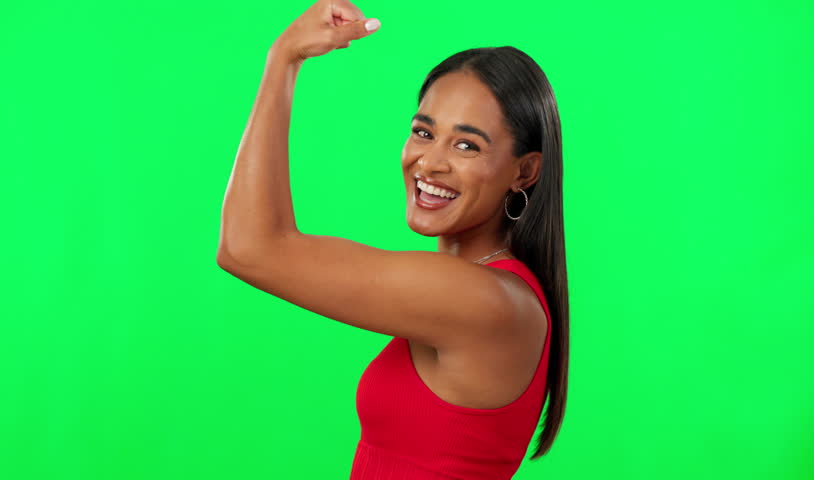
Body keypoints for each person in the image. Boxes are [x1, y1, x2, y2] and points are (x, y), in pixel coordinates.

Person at [217, 1, 569, 478]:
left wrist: (285, 58)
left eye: (467, 145)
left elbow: (250, 247)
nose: (430, 163)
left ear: (524, 171)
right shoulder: (488, 288)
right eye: (424, 132)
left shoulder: (485, 300)